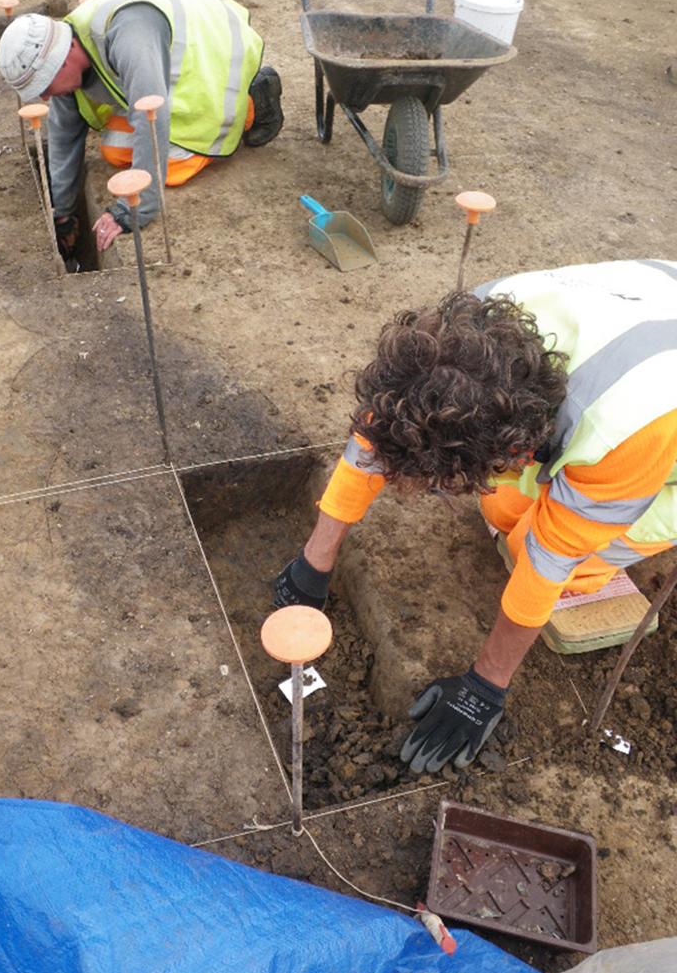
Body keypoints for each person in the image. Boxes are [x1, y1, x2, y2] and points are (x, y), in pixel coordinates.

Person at [274, 260, 677, 774]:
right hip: (654, 314)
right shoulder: (457, 339)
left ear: (517, 446)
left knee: (541, 552)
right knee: (503, 506)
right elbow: (374, 440)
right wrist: (316, 558)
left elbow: (549, 560)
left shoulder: (621, 429)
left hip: (658, 433)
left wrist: (486, 684)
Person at [0, 0, 283, 262]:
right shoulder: (68, 40)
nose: (45, 96)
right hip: (162, 63)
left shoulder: (130, 37)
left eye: (45, 85)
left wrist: (133, 209)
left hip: (215, 49)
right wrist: (63, 211)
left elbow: (150, 120)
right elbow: (64, 132)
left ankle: (254, 102)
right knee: (116, 148)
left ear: (65, 55)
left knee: (162, 161)